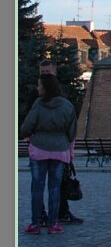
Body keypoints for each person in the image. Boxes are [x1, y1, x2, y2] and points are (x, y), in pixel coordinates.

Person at [20, 71, 78, 235]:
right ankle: (53, 223)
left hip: (39, 150)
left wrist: (29, 135)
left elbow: (26, 127)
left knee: (37, 188)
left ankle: (35, 223)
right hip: (59, 150)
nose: (38, 88)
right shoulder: (67, 106)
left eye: (39, 85)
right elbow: (72, 131)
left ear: (45, 88)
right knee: (54, 188)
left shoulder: (39, 104)